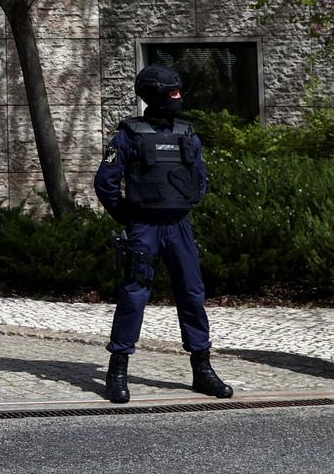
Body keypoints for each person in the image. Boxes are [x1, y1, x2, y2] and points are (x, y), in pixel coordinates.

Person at [93, 64, 235, 404]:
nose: (179, 98)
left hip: (179, 226)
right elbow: (105, 182)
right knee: (134, 295)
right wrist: (130, 216)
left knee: (192, 293)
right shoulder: (128, 135)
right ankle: (118, 370)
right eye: (172, 93)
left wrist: (183, 205)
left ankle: (202, 368)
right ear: (154, 96)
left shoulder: (187, 133)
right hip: (145, 227)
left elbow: (200, 179)